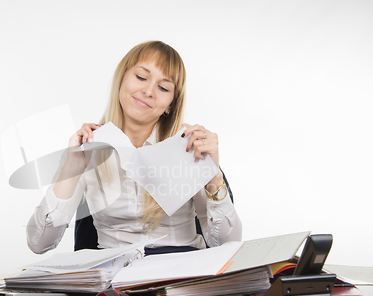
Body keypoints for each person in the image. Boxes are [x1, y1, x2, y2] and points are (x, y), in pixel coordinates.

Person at [27, 41, 241, 254]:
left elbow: (228, 246)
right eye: (141, 77)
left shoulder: (187, 147)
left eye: (163, 87)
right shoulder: (90, 147)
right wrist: (71, 167)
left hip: (181, 273)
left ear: (170, 106)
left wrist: (213, 175)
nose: (148, 91)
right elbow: (39, 244)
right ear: (121, 79)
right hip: (118, 275)